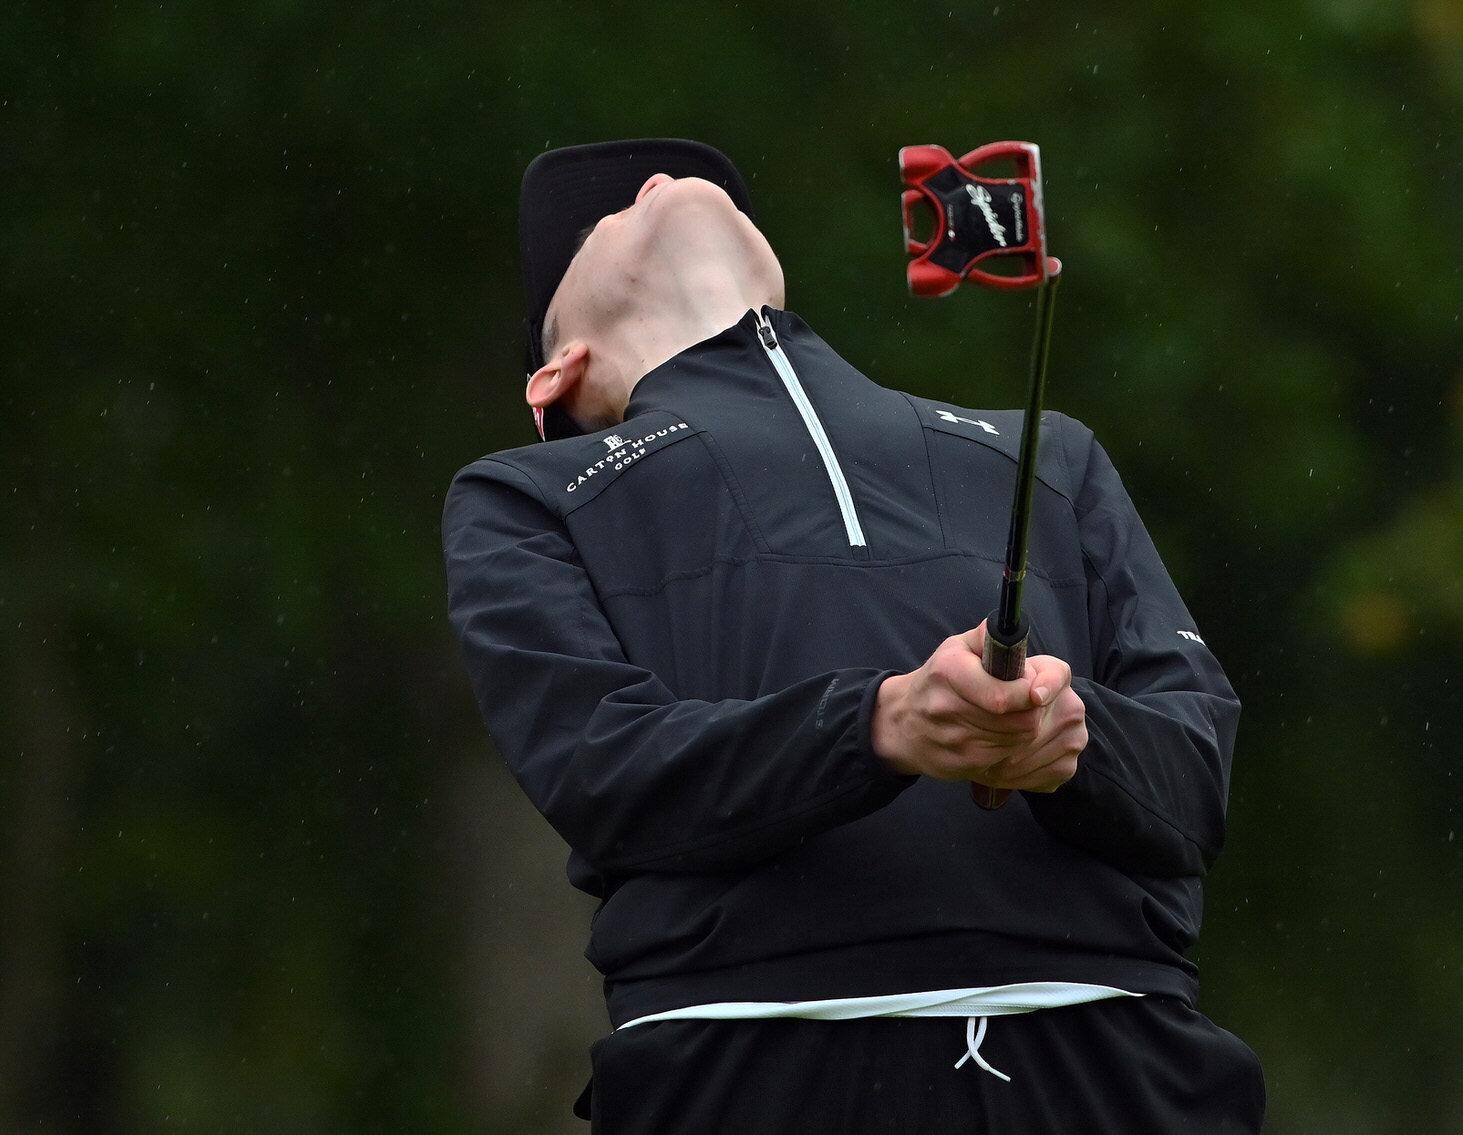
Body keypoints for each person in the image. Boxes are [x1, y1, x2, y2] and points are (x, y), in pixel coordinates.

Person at [443, 138, 1264, 1133]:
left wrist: (1068, 736)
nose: (656, 185)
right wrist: (879, 724)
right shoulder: (526, 497)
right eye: (603, 222)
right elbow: (609, 771)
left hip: (1107, 1063)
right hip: (757, 1070)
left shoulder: (1051, 454)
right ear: (560, 377)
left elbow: (1192, 786)